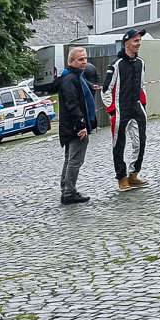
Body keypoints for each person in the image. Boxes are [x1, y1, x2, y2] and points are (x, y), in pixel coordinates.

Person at [108, 29, 149, 192]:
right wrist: (112, 110)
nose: (139, 43)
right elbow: (106, 89)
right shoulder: (116, 64)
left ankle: (134, 174)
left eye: (139, 40)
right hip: (120, 109)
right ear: (126, 43)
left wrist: (143, 105)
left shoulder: (141, 63)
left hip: (137, 108)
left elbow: (142, 85)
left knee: (141, 142)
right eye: (135, 40)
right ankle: (121, 177)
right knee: (119, 144)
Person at [56, 46, 98, 205]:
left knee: (70, 159)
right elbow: (72, 103)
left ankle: (66, 190)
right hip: (74, 127)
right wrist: (80, 125)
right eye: (81, 59)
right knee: (74, 160)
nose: (84, 62)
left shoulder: (74, 76)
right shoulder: (70, 79)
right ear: (71, 61)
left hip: (71, 126)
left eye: (85, 58)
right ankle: (69, 192)